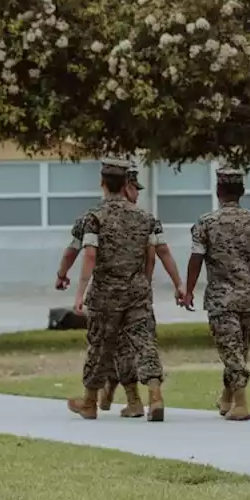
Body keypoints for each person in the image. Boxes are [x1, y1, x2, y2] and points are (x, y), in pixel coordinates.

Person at [58, 166, 183, 416]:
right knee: (145, 343)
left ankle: (90, 402)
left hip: (106, 294)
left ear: (102, 182)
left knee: (100, 345)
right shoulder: (146, 218)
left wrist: (69, 282)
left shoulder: (93, 217)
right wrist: (179, 284)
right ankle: (155, 397)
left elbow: (82, 252)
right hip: (138, 293)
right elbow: (163, 252)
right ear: (126, 183)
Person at [185, 166, 250, 422]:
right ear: (242, 192)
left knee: (232, 352)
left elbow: (196, 259)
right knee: (238, 350)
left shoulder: (206, 223)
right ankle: (227, 398)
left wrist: (188, 290)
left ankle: (241, 404)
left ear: (218, 191)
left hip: (221, 299)